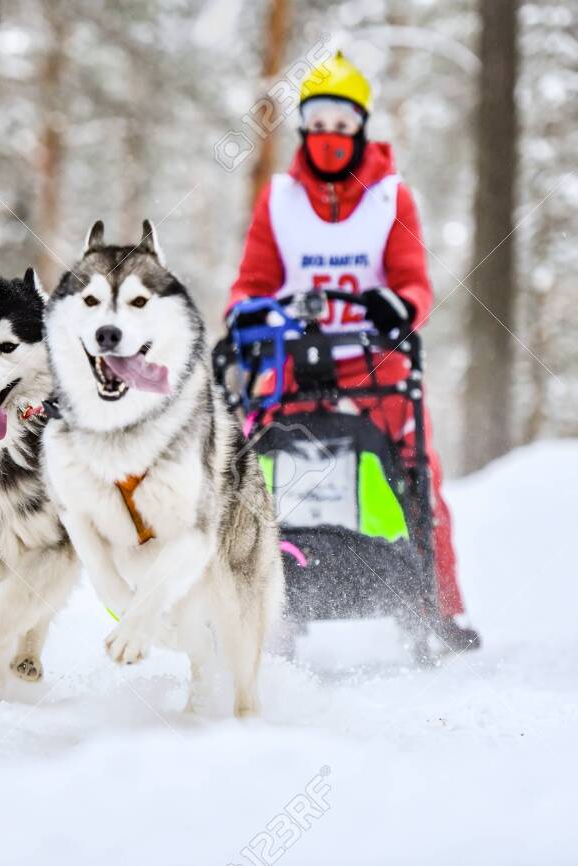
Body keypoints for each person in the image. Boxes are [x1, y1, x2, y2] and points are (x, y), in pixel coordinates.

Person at [227, 51, 480, 651]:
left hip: (375, 363)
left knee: (418, 472)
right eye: (319, 124)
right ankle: (258, 599)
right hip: (293, 363)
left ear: (361, 127)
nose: (330, 136)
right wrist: (248, 311)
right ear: (304, 129)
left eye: (342, 124)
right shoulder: (279, 200)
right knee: (250, 470)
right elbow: (251, 284)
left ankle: (436, 604)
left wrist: (400, 306)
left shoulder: (392, 198)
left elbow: (414, 282)